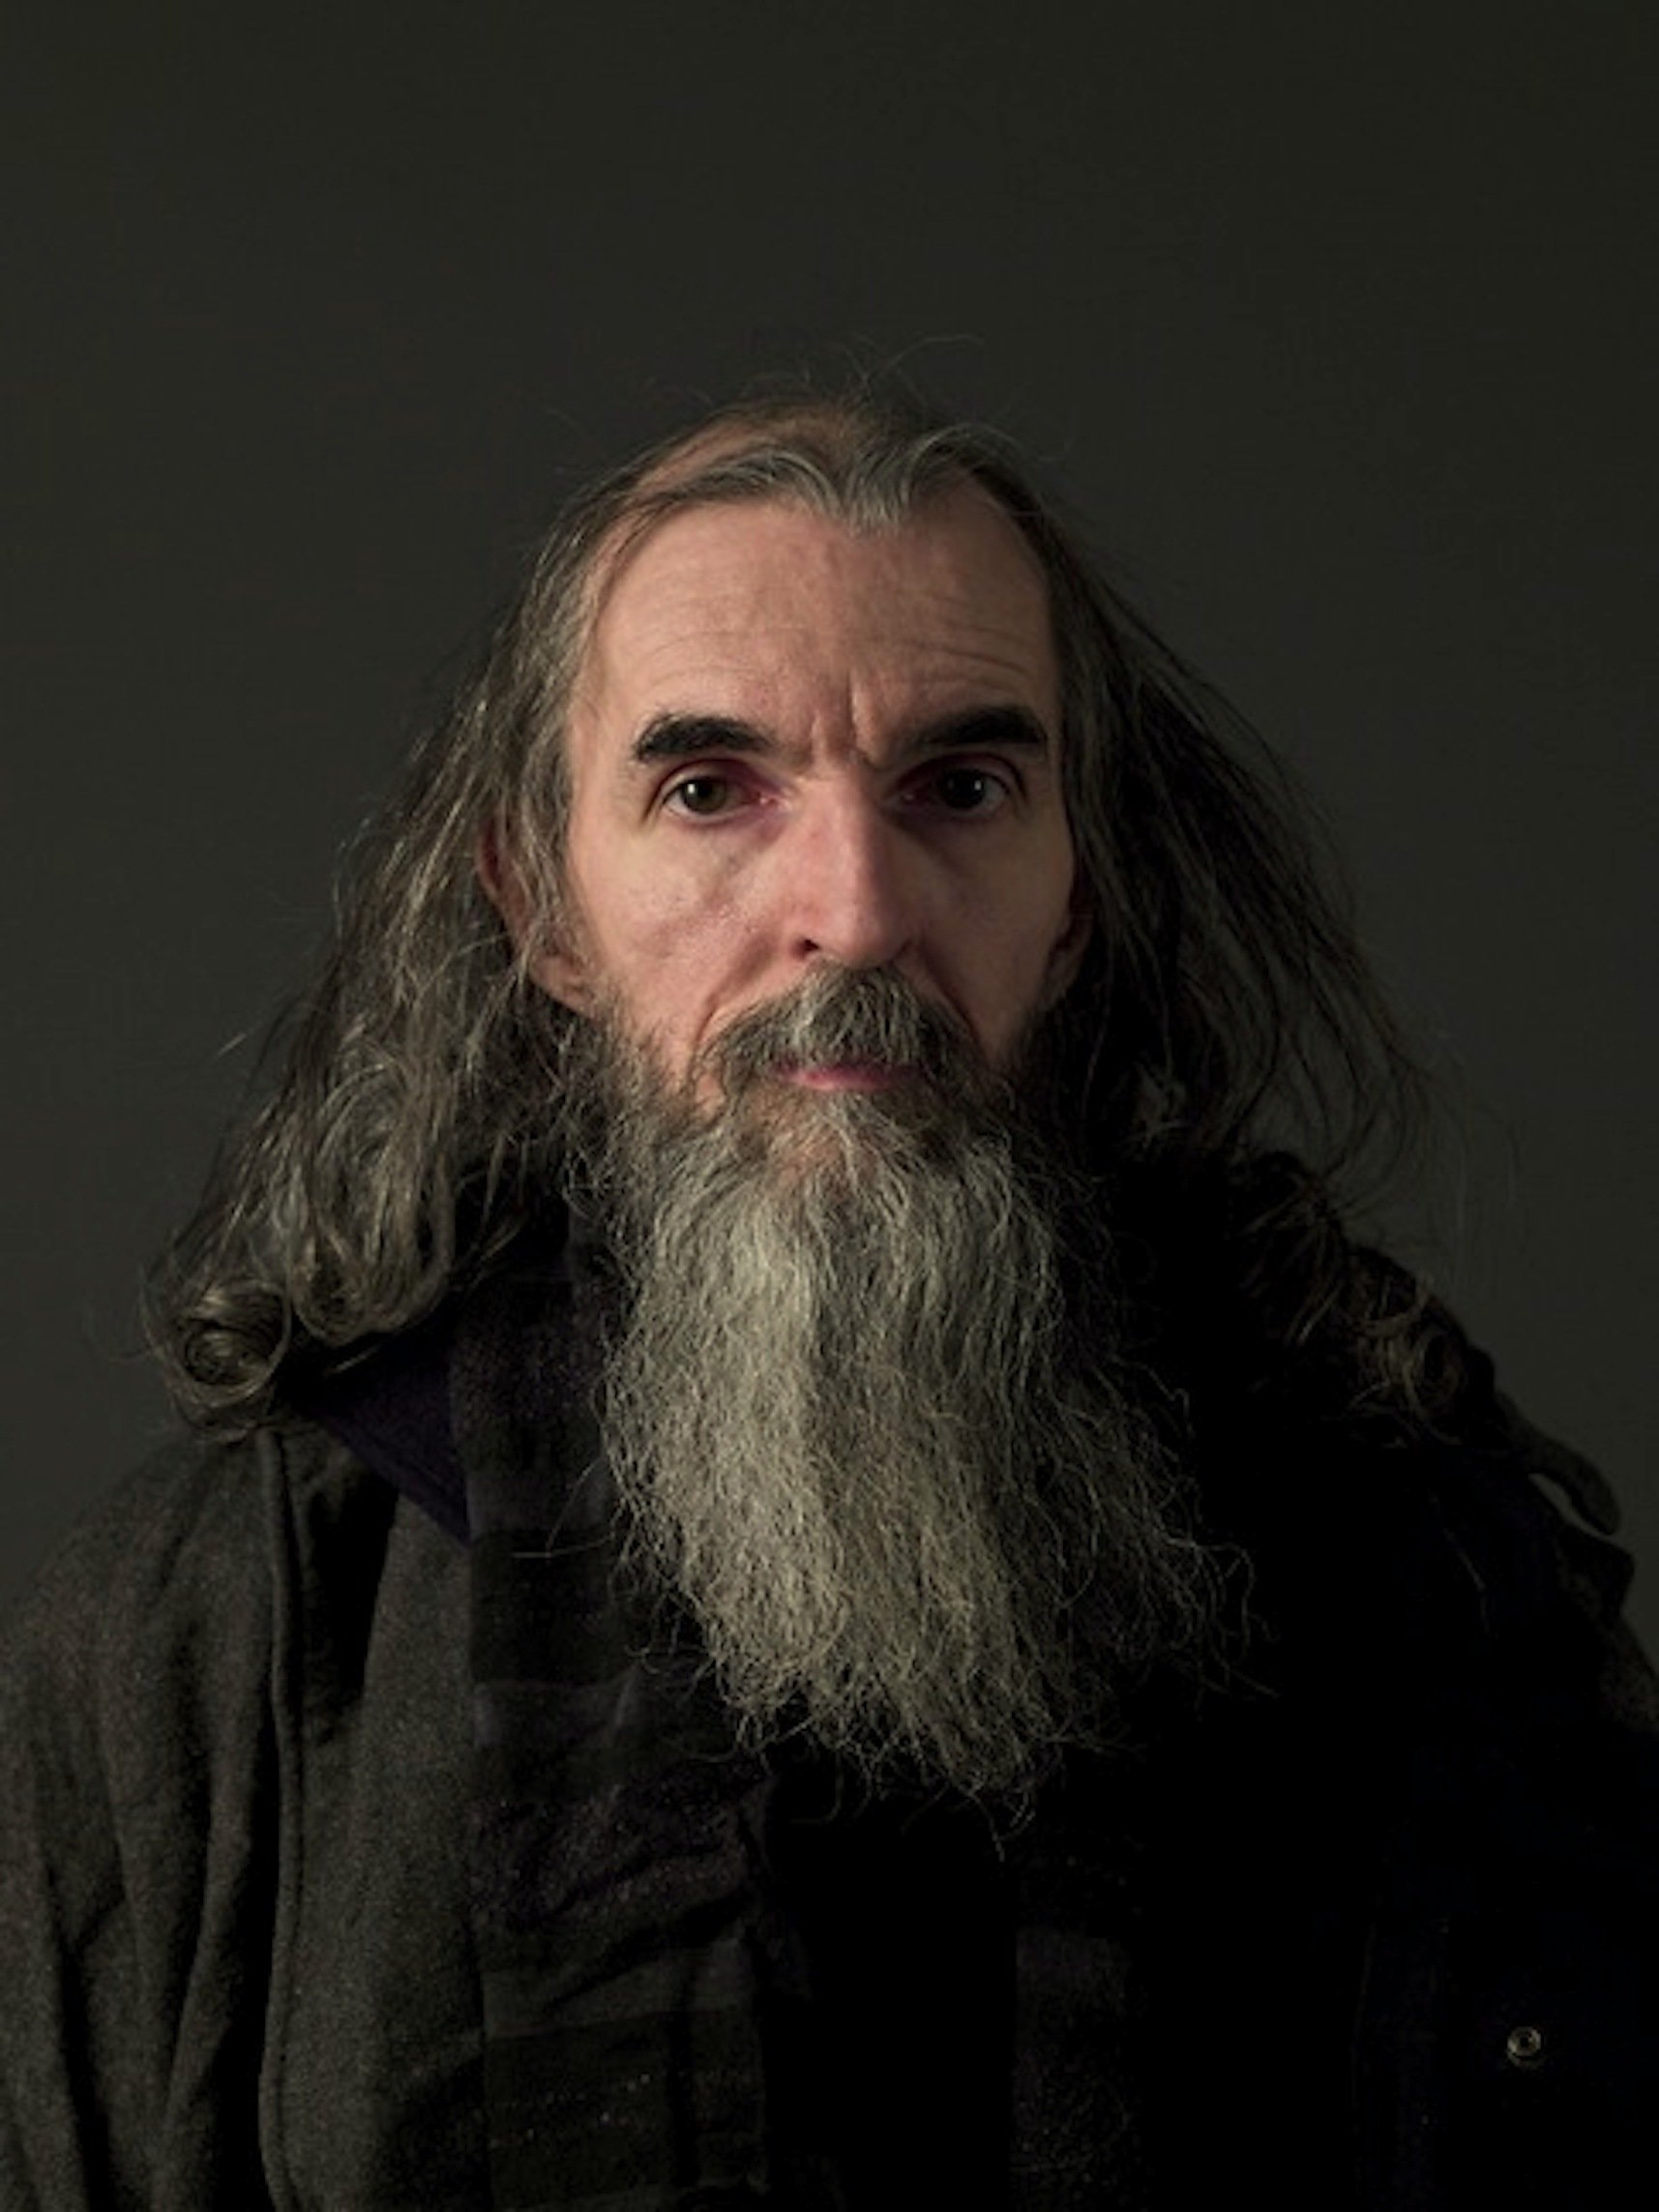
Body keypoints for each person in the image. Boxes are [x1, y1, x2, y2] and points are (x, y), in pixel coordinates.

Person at [2, 383, 1654, 2211]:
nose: (855, 912)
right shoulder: (210, 1639)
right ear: (543, 908)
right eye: (711, 790)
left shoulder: (1420, 1571)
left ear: (1075, 899)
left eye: (963, 788)